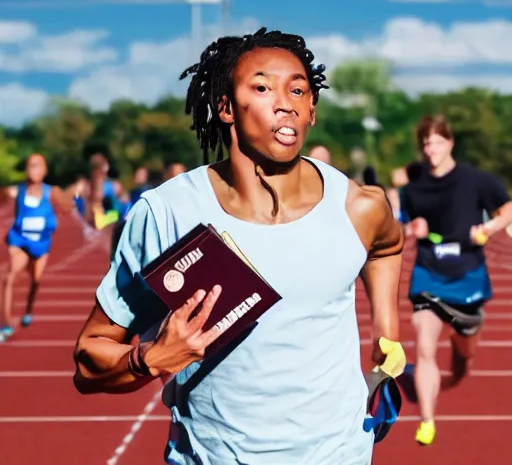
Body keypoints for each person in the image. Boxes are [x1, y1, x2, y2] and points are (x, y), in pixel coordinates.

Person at [73, 27, 405, 464]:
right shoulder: (167, 214)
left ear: (312, 112)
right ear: (226, 107)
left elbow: (386, 247)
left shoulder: (359, 206)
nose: (284, 102)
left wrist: (386, 324)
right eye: (263, 87)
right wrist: (151, 358)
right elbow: (89, 359)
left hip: (340, 454)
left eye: (299, 90)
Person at [400, 115, 512, 446]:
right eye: (425, 144)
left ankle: (462, 358)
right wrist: (414, 227)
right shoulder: (413, 189)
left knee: (465, 349)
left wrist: (488, 229)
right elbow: (409, 221)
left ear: (450, 143)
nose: (430, 149)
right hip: (428, 272)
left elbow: (507, 210)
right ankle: (427, 420)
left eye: (436, 142)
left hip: (467, 275)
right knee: (423, 343)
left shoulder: (476, 181)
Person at [0, 154, 75, 341]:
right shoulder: (18, 191)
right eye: (31, 166)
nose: (34, 170)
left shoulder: (51, 192)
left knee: (35, 280)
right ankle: (5, 324)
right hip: (19, 240)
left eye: (38, 166)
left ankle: (28, 309)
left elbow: (69, 206)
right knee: (8, 277)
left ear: (44, 171)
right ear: (26, 170)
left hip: (40, 244)